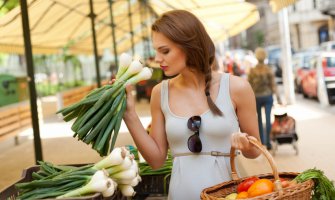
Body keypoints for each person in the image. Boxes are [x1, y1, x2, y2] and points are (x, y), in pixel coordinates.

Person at [122, 10, 261, 200]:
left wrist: (246, 145)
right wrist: (129, 115)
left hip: (228, 195)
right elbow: (156, 160)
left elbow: (255, 152)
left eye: (165, 51)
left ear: (189, 46)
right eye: (156, 51)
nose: (157, 59)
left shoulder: (237, 88)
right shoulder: (160, 93)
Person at [248, 47, 281, 150]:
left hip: (256, 97)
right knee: (268, 119)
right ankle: (268, 143)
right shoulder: (268, 69)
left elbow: (249, 86)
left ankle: (261, 143)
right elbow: (273, 85)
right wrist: (279, 98)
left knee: (259, 120)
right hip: (268, 96)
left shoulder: (252, 71)